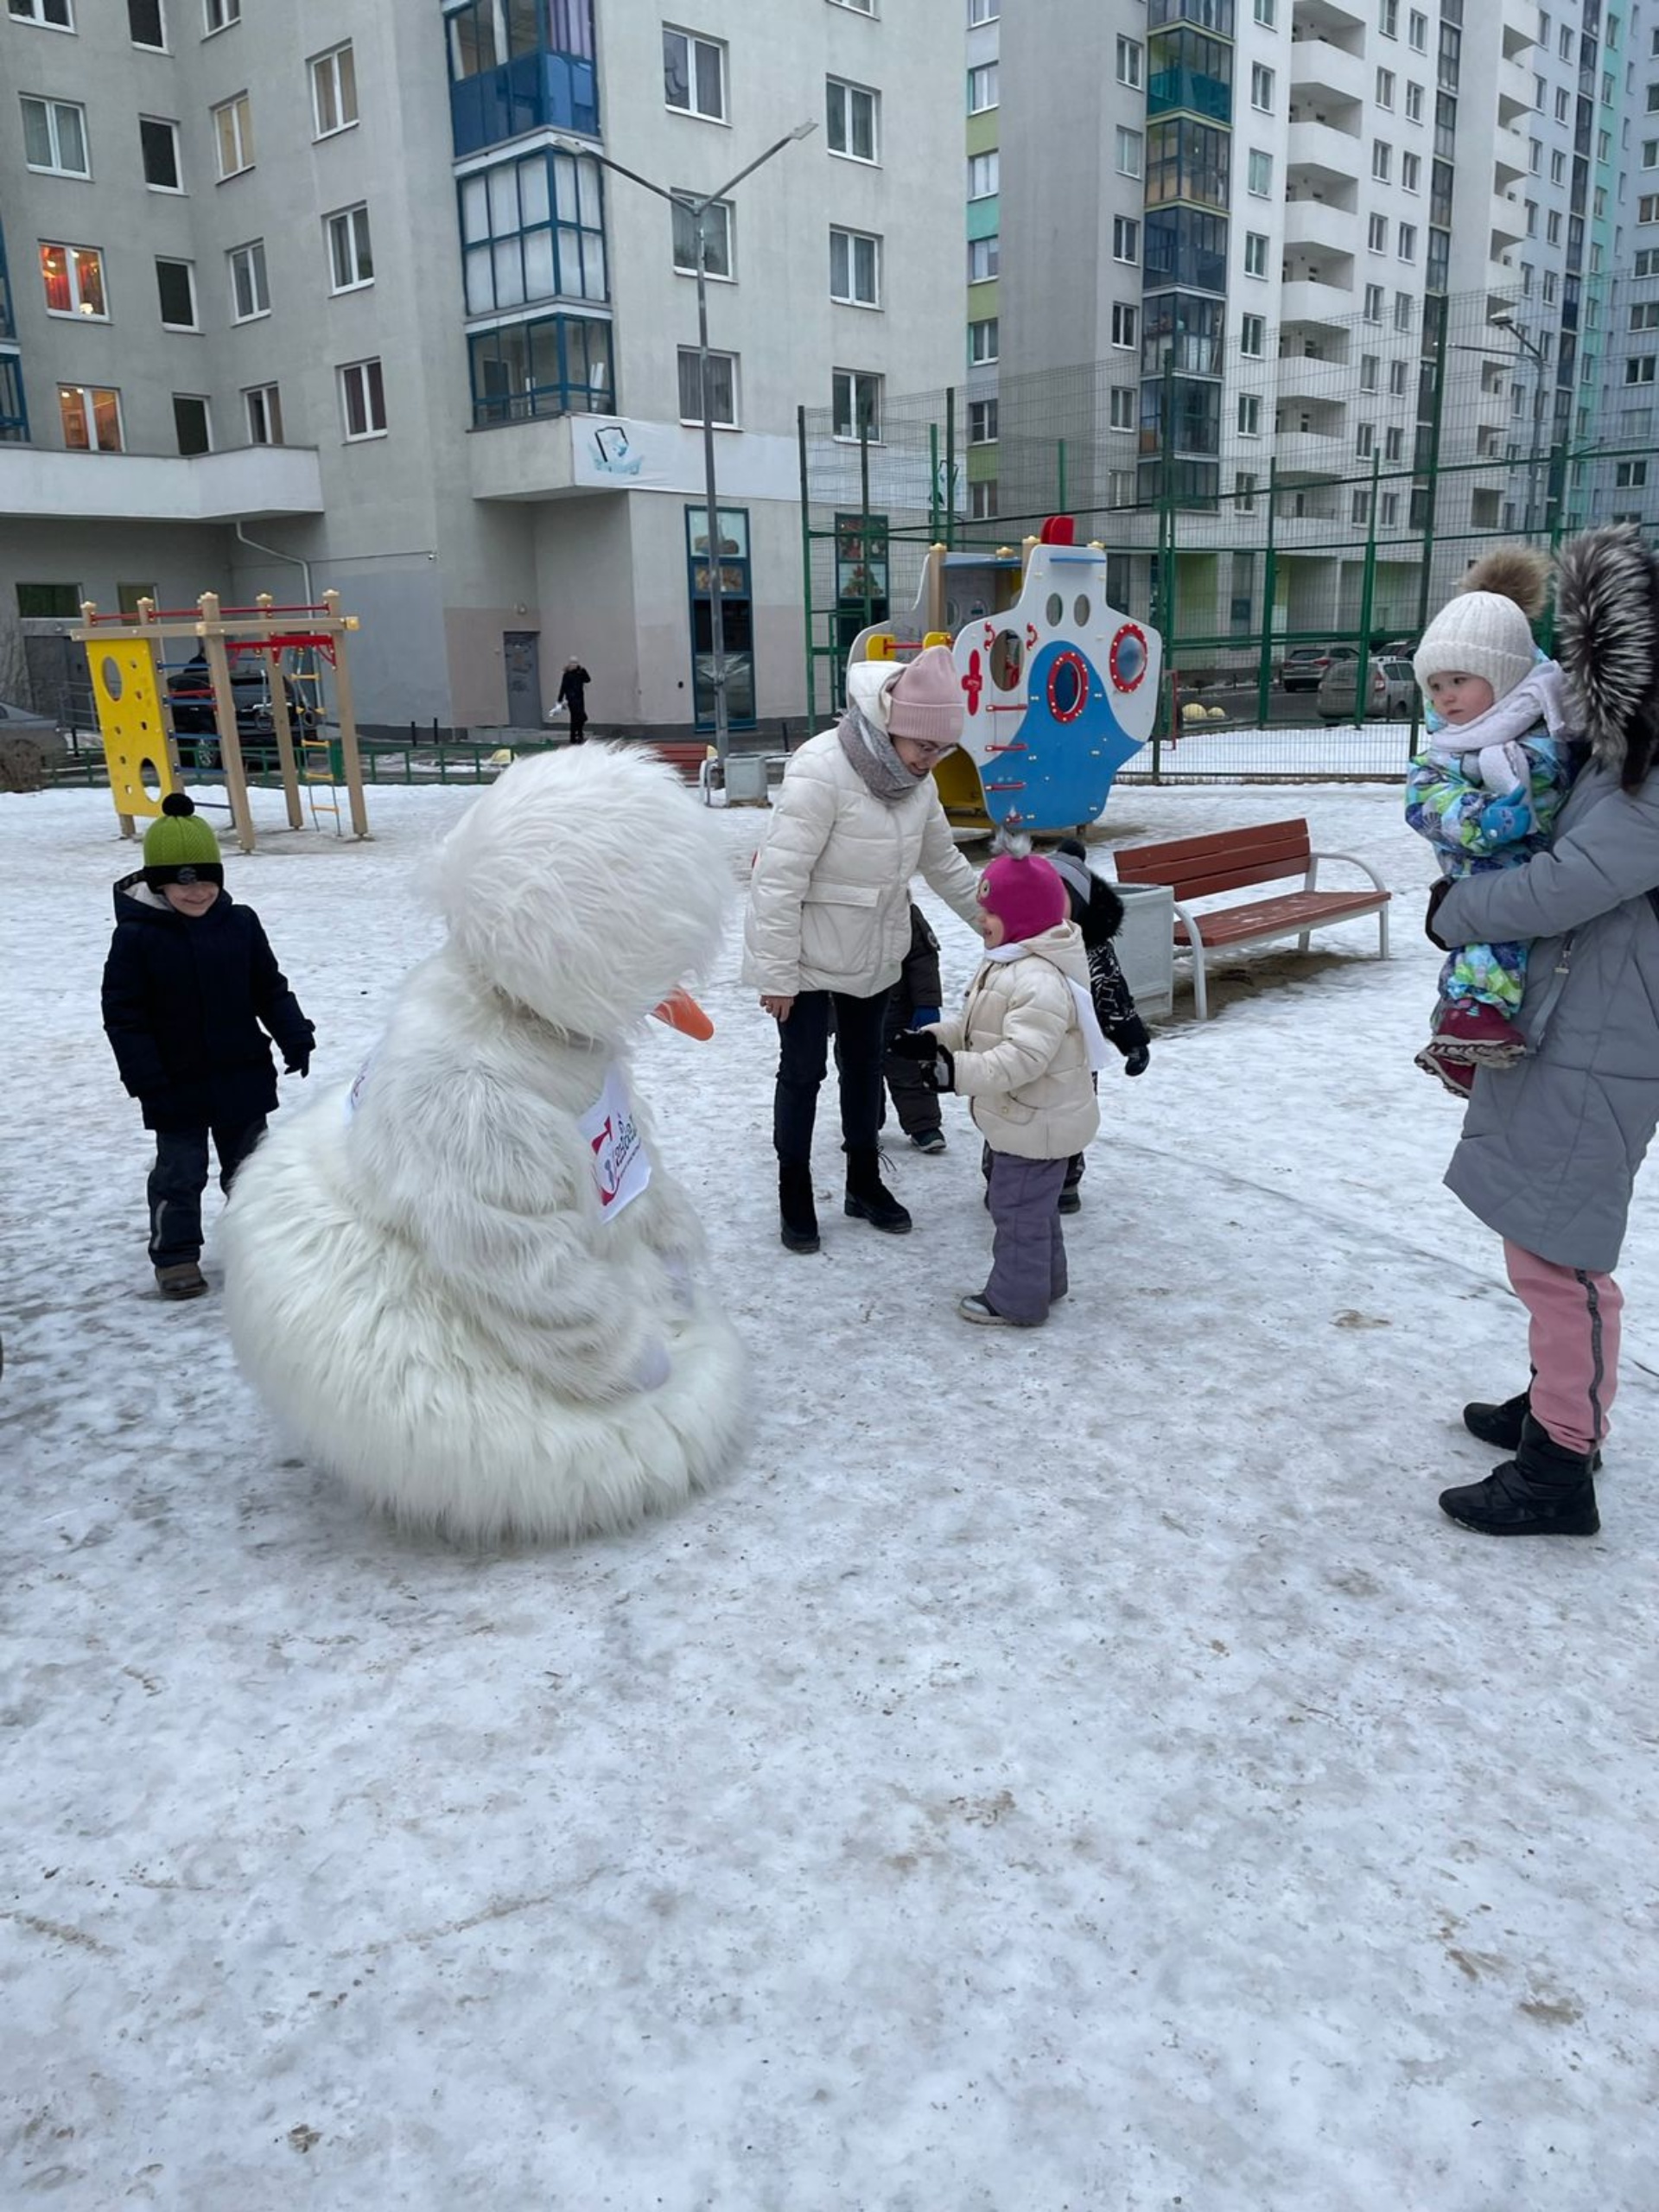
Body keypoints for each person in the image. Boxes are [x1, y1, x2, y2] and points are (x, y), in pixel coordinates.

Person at [1426, 523, 1659, 1538]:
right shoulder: (1619, 753)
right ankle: (1555, 1403)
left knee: (1561, 1258)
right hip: (1575, 1015)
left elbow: (1570, 883)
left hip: (1609, 1029)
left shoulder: (1647, 772)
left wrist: (1453, 911)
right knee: (1541, 1237)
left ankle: (1562, 1460)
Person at [742, 645, 985, 1253]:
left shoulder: (917, 784)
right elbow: (778, 878)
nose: (932, 761)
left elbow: (944, 862)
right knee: (802, 1075)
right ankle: (794, 1193)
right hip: (805, 959)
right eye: (924, 746)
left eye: (942, 750)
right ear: (890, 725)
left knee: (863, 1071)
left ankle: (863, 1181)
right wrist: (777, 974)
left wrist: (999, 921)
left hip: (877, 953)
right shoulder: (821, 768)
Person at [101, 792, 315, 1300]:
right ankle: (175, 1257)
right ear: (159, 884)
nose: (197, 894)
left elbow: (268, 987)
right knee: (180, 1174)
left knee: (252, 1173)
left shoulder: (240, 924)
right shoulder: (136, 938)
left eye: (207, 881)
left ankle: (258, 1249)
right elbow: (122, 1016)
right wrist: (145, 1077)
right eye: (181, 883)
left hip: (241, 1073)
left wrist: (294, 1034)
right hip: (174, 1083)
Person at [892, 845, 1105, 1328]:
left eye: (991, 911)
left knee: (1016, 1212)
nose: (981, 918)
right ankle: (1046, 1282)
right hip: (1030, 1118)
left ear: (1024, 917)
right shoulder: (1011, 961)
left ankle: (1017, 1300)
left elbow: (1023, 1058)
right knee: (1035, 1211)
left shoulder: (1038, 980)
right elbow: (978, 1028)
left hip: (1037, 1122)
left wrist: (956, 1073)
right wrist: (931, 1041)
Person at [1406, 549, 1576, 1096]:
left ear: (1503, 680)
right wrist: (1483, 818)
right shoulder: (1449, 749)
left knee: (1507, 950)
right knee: (1491, 942)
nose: (1446, 696)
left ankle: (1459, 1037)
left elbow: (1553, 777)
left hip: (1533, 871)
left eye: (1460, 680)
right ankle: (1464, 1023)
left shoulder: (1537, 728)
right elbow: (1424, 803)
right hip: (1482, 865)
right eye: (1435, 685)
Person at [1048, 838, 1152, 1211]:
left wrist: (1132, 1040)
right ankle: (1005, 1178)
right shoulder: (1017, 941)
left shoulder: (1092, 947)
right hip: (1024, 1049)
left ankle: (1066, 1180)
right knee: (1013, 1115)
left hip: (1078, 1053)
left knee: (1073, 1114)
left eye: (1058, 896)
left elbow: (1112, 994)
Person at [556, 658, 591, 743]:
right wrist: (560, 699)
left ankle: (577, 735)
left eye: (575, 663)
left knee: (578, 718)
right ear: (569, 664)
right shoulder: (567, 674)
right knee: (578, 717)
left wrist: (584, 671)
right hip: (571, 699)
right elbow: (563, 687)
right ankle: (575, 736)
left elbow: (588, 680)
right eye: (572, 663)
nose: (574, 665)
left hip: (580, 698)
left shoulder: (580, 672)